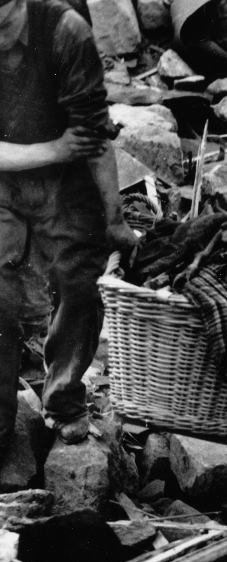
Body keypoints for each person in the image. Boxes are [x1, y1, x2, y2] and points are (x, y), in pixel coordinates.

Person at [0, 0, 137, 456]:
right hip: (5, 181)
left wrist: (114, 219)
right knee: (0, 298)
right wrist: (53, 149)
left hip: (67, 183)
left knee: (79, 283)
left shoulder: (65, 31)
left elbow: (92, 133)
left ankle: (62, 397)